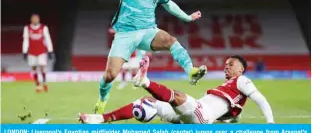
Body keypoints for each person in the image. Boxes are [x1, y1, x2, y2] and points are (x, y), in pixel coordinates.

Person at [88, 0, 207, 114]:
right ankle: (102, 99)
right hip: (125, 34)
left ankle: (191, 71)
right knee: (110, 75)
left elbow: (169, 5)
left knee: (170, 40)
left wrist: (187, 17)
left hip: (148, 31)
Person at [79, 55, 274, 124]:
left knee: (180, 97)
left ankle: (145, 81)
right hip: (191, 117)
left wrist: (271, 124)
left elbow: (261, 100)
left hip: (201, 117)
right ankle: (99, 119)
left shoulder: (242, 80)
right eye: (225, 64)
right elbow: (231, 114)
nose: (226, 67)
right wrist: (230, 118)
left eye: (230, 64)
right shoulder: (228, 87)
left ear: (240, 69)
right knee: (147, 104)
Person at [23, 14, 54, 92]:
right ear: (31, 20)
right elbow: (26, 40)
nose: (35, 20)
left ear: (39, 19)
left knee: (42, 67)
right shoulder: (27, 28)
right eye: (33, 19)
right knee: (33, 68)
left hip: (41, 51)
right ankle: (37, 85)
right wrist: (24, 51)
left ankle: (44, 83)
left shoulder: (44, 28)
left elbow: (47, 39)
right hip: (32, 52)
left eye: (36, 19)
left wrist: (50, 50)